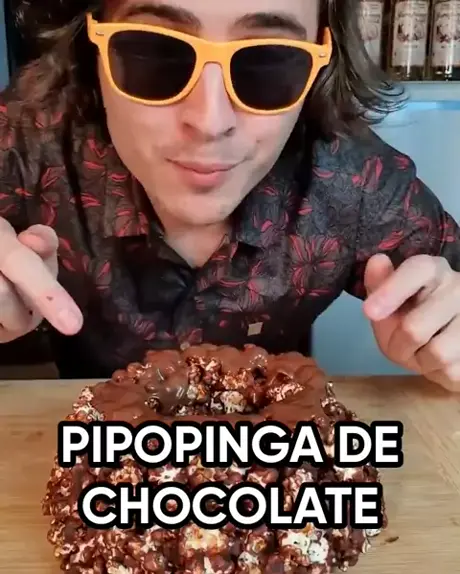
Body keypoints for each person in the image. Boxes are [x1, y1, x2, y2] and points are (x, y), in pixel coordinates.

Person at [0, 0, 459, 390]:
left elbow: (449, 282)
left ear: (322, 64)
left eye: (267, 62)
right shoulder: (24, 145)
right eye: (154, 54)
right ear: (91, 48)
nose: (210, 122)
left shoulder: (353, 175)